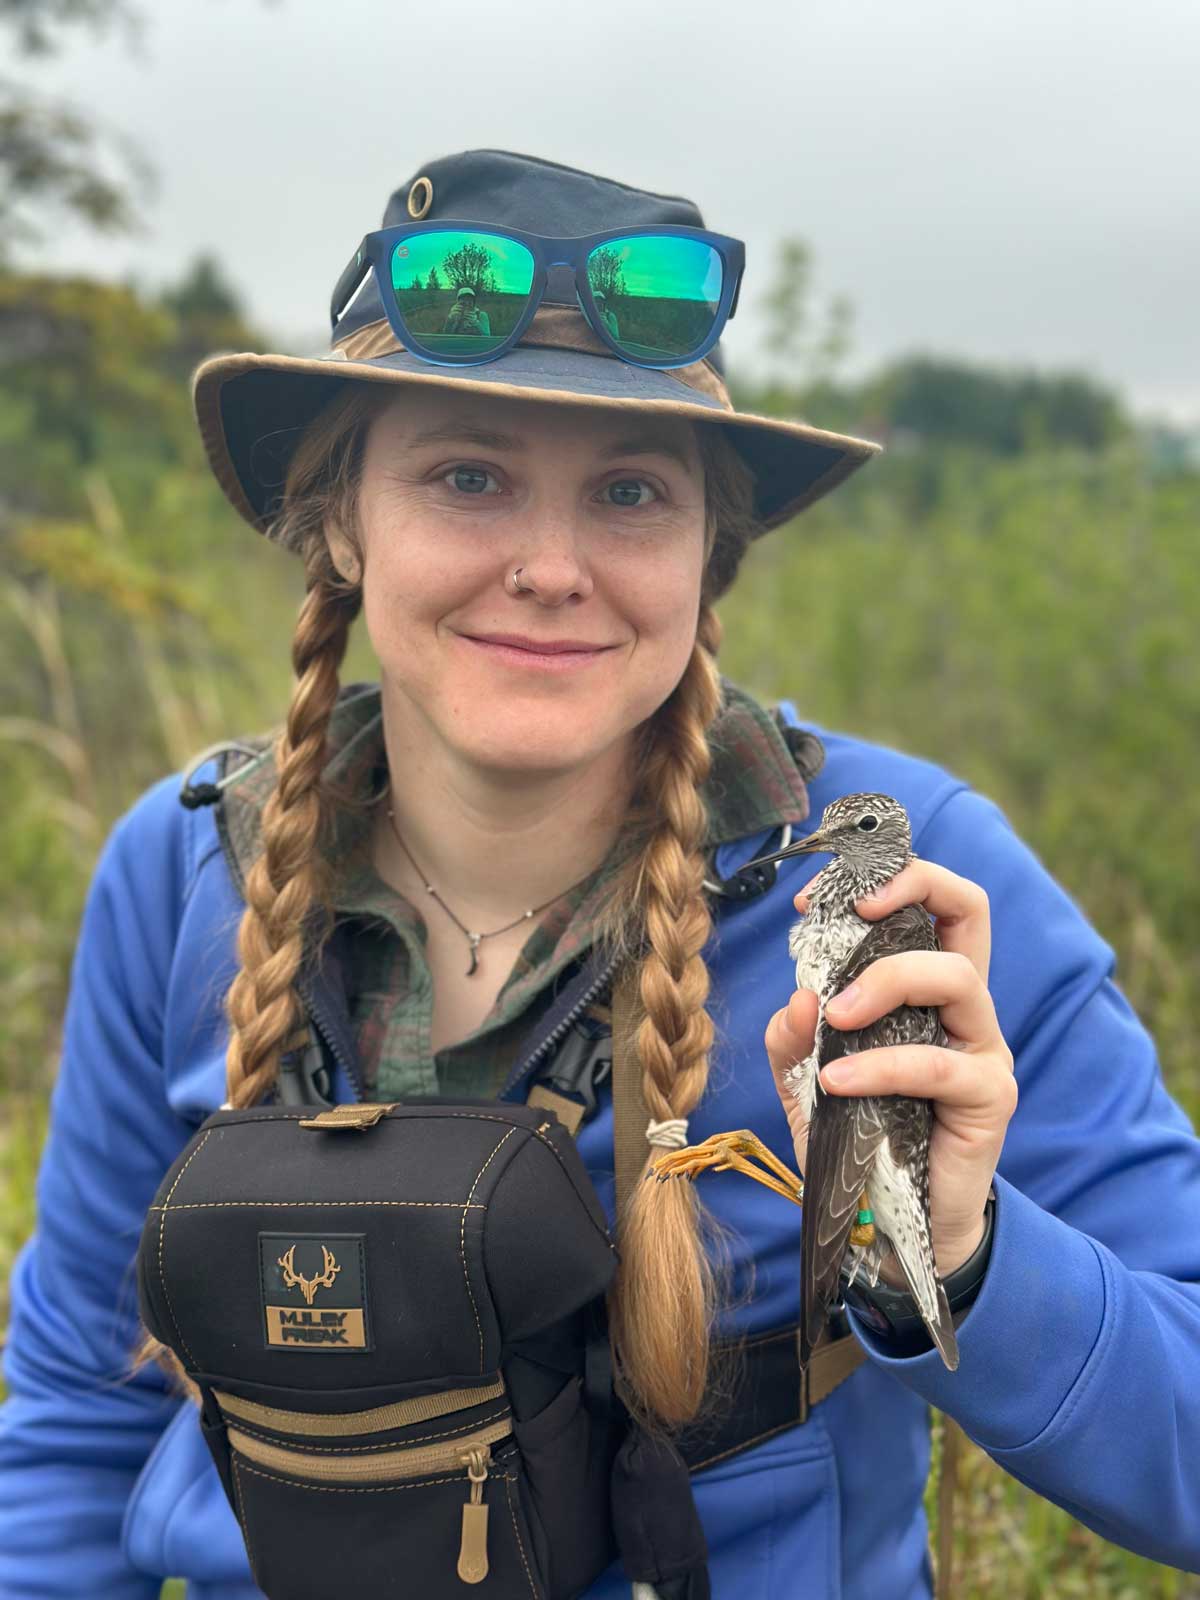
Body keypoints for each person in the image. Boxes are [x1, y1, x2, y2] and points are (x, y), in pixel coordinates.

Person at [2, 146, 1200, 1600]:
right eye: (468, 477)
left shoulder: (882, 877)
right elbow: (76, 1420)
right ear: (341, 523)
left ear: (709, 553)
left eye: (631, 492)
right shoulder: (189, 867)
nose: (553, 566)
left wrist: (961, 1249)